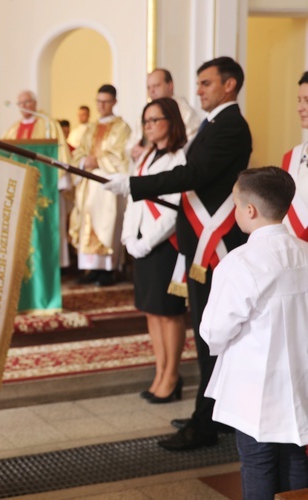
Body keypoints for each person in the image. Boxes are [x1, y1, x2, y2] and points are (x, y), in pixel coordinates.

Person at [103, 56, 252, 450]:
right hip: (203, 250)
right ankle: (215, 415)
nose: (198, 90)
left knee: (211, 337)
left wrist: (135, 185)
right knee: (207, 334)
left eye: (206, 83)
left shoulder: (230, 126)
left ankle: (204, 426)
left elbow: (192, 176)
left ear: (229, 85)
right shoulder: (214, 125)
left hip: (215, 250)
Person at [200, 167, 308, 499]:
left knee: (258, 463)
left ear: (250, 210)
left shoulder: (240, 262)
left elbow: (214, 331)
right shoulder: (305, 252)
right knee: (296, 459)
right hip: (301, 378)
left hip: (255, 386)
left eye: (235, 205)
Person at [121, 98, 188, 404]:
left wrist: (148, 240)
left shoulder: (179, 158)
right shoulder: (146, 155)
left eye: (154, 120)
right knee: (150, 310)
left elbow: (174, 209)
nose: (148, 126)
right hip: (141, 244)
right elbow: (135, 199)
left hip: (165, 245)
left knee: (168, 312)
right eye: (145, 121)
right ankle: (159, 371)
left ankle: (172, 375)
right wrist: (128, 237)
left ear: (170, 122)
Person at [69, 84, 131, 286]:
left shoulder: (122, 128)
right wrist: (83, 161)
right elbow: (79, 152)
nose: (102, 106)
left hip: (107, 184)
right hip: (89, 184)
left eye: (106, 101)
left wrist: (99, 160)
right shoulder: (90, 128)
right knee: (87, 222)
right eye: (99, 101)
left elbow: (122, 155)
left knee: (107, 223)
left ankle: (108, 269)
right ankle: (91, 269)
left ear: (114, 102)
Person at [3, 90, 72, 268]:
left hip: (45, 185)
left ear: (35, 103)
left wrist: (60, 181)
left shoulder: (49, 125)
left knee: (48, 226)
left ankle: (53, 264)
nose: (24, 107)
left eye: (27, 102)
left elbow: (60, 151)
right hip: (23, 187)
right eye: (20, 103)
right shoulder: (13, 130)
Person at [130, 69, 200, 163]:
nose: (152, 91)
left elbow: (189, 145)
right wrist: (134, 152)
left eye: (156, 86)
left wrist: (150, 153)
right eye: (149, 87)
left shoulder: (184, 112)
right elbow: (132, 144)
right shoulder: (147, 112)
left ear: (170, 86)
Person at [280, 71, 308, 241]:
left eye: (307, 100)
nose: (300, 108)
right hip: (293, 253)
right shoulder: (292, 156)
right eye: (299, 100)